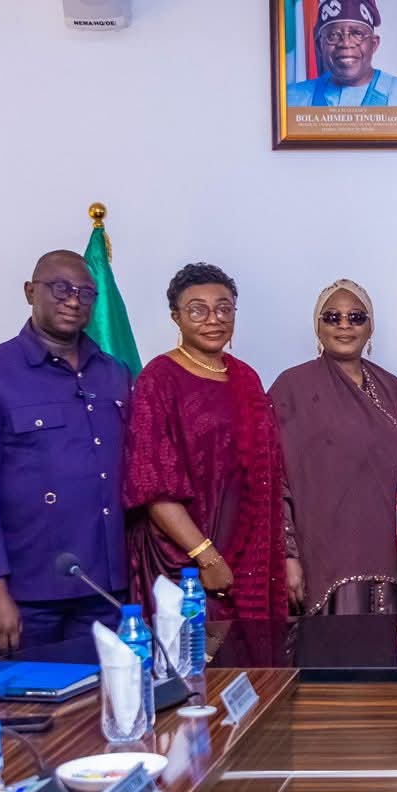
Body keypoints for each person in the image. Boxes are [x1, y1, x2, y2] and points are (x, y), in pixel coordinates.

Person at [0, 250, 131, 654]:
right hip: (26, 593)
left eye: (85, 292)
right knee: (24, 696)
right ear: (30, 292)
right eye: (61, 288)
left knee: (110, 693)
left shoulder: (114, 373)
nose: (73, 300)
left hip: (105, 588)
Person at [123, 263, 291, 624]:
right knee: (195, 655)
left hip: (250, 555)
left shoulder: (245, 375)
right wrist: (206, 555)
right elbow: (152, 485)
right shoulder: (159, 379)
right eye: (198, 310)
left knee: (251, 658)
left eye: (224, 308)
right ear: (176, 317)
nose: (214, 319)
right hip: (185, 563)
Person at [270, 279, 397, 615]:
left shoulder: (392, 387)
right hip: (320, 554)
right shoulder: (292, 387)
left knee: (385, 644)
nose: (345, 325)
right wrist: (287, 555)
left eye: (356, 317)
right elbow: (272, 478)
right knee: (331, 644)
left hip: (388, 555)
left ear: (371, 327)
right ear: (317, 326)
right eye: (332, 317)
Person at [284, 0, 397, 108]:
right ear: (319, 46)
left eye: (357, 34)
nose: (345, 43)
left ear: (373, 44)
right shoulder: (290, 100)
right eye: (333, 35)